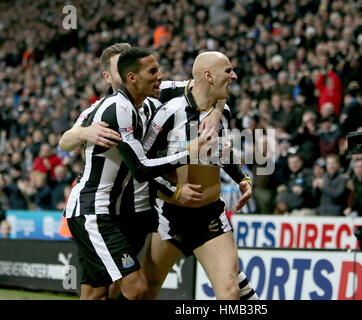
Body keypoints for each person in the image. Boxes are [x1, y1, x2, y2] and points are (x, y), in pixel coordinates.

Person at [60, 43, 257, 300]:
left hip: (139, 209)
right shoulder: (113, 109)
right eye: (151, 71)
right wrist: (82, 132)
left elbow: (208, 81)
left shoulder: (154, 100)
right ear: (115, 76)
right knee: (126, 289)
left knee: (110, 290)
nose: (159, 77)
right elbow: (140, 166)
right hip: (110, 208)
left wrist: (217, 113)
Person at [142, 51, 253, 299]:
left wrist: (242, 178)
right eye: (228, 71)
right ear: (208, 76)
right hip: (169, 216)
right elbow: (144, 166)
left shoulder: (222, 113)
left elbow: (221, 153)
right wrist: (175, 191)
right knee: (146, 290)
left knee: (230, 292)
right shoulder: (169, 110)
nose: (234, 76)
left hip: (209, 216)